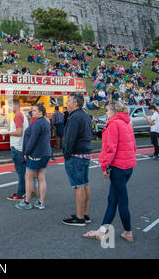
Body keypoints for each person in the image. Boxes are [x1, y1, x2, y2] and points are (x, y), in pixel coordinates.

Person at [83, 102, 137, 242]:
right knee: (113, 199)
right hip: (128, 166)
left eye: (107, 110)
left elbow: (109, 148)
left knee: (121, 201)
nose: (106, 112)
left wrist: (104, 167)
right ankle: (102, 231)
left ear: (114, 111)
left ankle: (128, 232)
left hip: (118, 167)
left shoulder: (113, 124)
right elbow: (134, 146)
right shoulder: (127, 123)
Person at [62, 93, 93, 226]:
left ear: (75, 103)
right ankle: (84, 214)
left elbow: (69, 139)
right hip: (85, 153)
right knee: (85, 184)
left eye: (68, 101)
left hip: (76, 155)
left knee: (78, 186)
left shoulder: (74, 117)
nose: (66, 103)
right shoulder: (85, 115)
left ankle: (79, 217)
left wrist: (66, 154)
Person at [16, 103, 51, 210]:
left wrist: (26, 153)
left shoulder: (37, 124)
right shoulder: (45, 122)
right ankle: (41, 202)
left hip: (36, 154)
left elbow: (32, 141)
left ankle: (27, 202)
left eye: (35, 110)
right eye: (32, 110)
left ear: (41, 112)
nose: (32, 112)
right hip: (45, 153)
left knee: (29, 177)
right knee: (41, 177)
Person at [4, 99, 29, 201]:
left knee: (20, 173)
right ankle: (23, 192)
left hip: (18, 147)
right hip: (21, 146)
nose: (8, 108)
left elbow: (19, 132)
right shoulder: (22, 115)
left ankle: (20, 193)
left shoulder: (18, 116)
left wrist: (7, 133)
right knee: (23, 172)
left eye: (9, 106)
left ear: (15, 105)